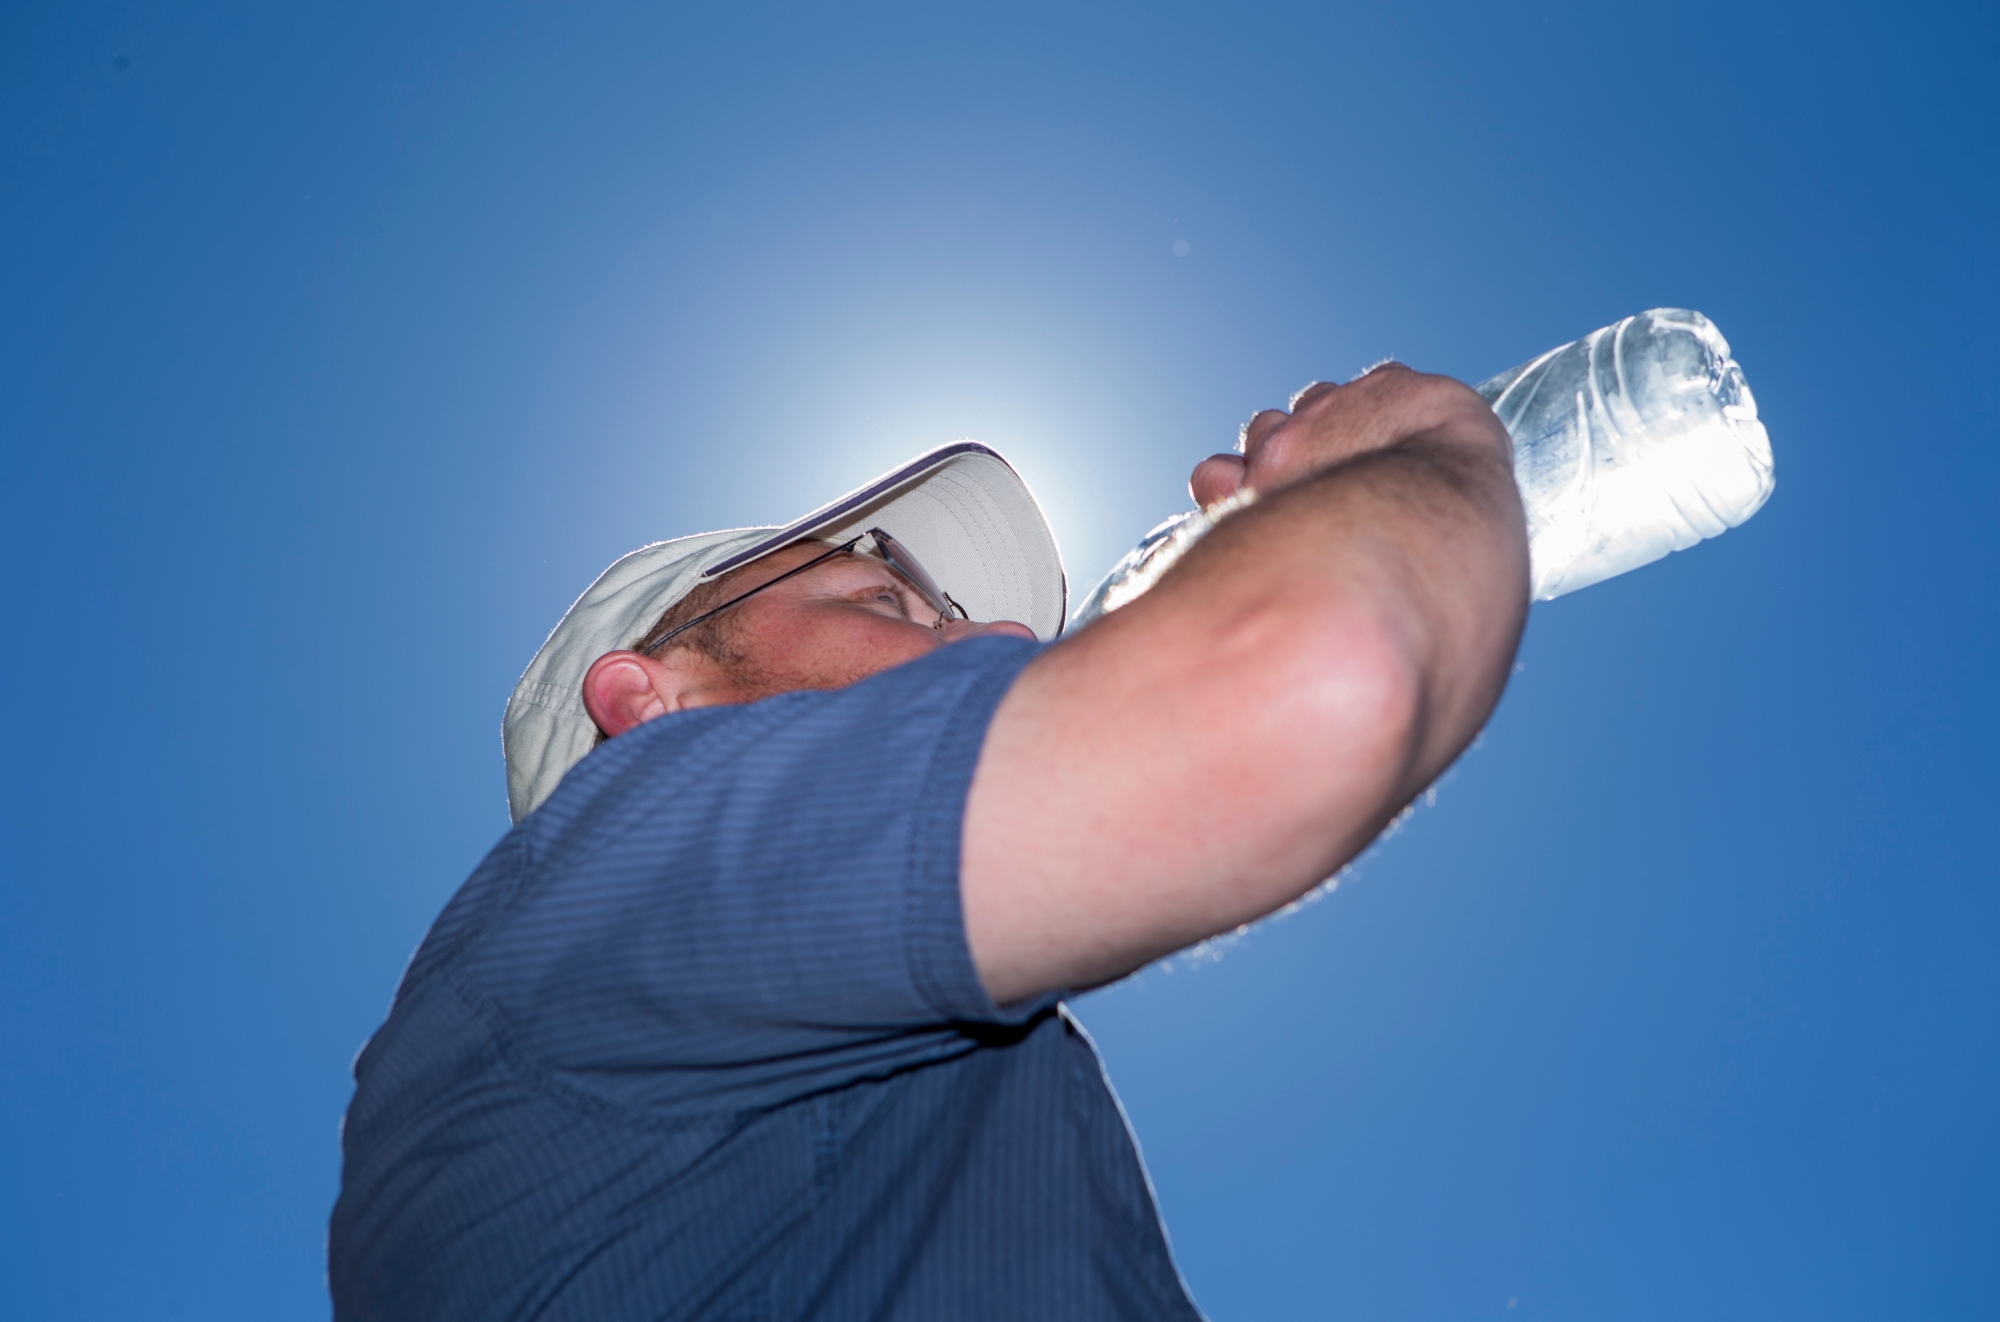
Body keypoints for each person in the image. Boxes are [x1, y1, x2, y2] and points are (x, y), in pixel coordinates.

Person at [329, 362, 1530, 1321]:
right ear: (651, 699)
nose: (1001, 628)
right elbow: (1313, 677)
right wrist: (1422, 450)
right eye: (878, 599)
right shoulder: (629, 859)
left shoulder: (638, 1050)